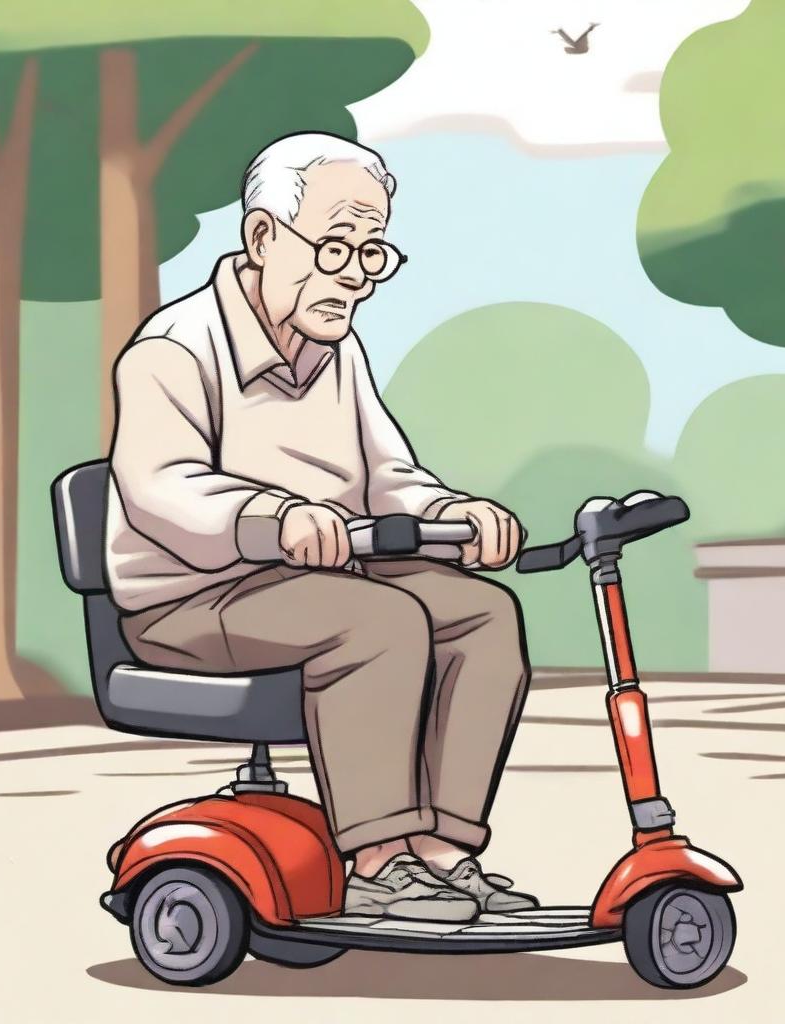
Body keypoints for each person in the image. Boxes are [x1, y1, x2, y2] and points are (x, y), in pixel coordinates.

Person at [105, 132, 535, 923]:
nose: (357, 280)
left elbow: (388, 475)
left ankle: (441, 852)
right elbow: (161, 490)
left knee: (482, 612)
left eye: (372, 255)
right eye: (336, 248)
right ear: (263, 236)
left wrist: (451, 515)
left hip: (325, 579)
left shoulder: (336, 352)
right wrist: (274, 517)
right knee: (379, 621)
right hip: (195, 599)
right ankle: (375, 861)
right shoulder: (172, 350)